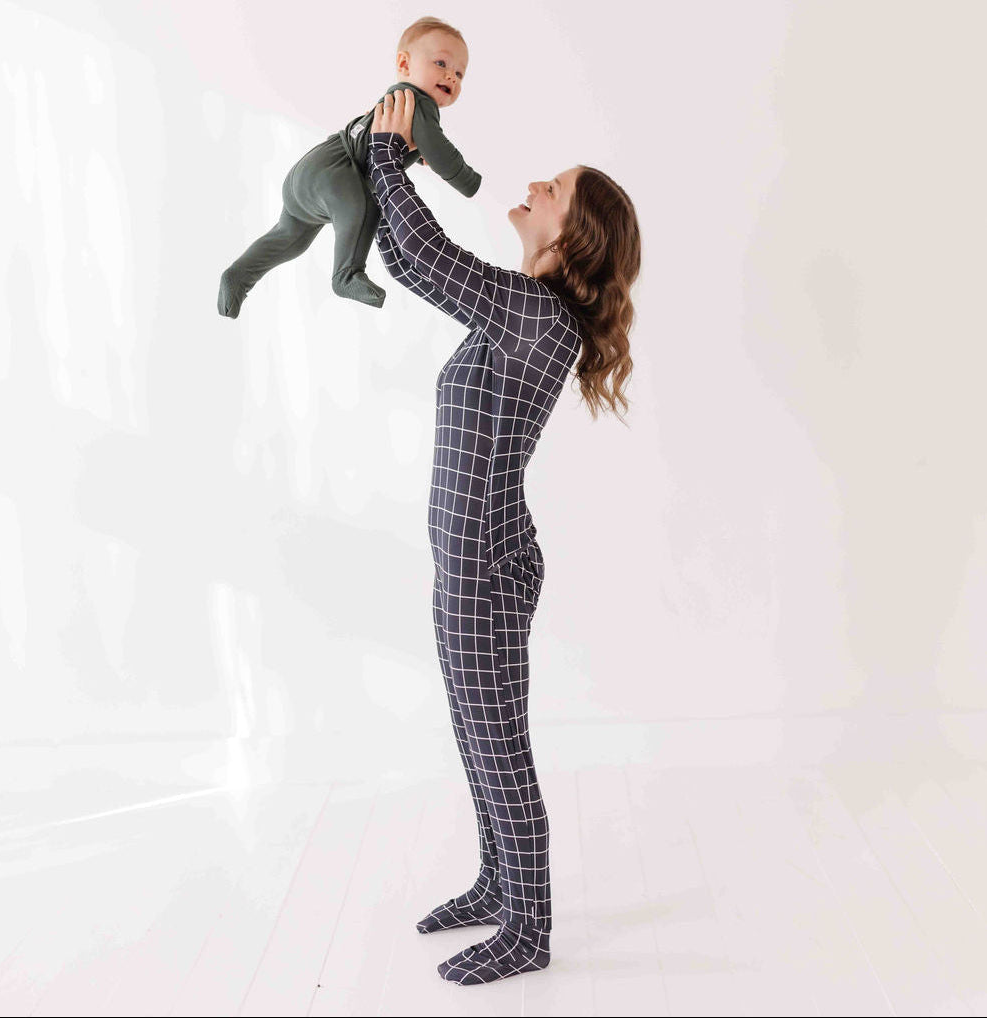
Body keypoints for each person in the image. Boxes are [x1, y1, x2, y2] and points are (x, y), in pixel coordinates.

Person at [370, 87, 639, 986]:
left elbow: (423, 255)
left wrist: (388, 154)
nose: (533, 186)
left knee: (498, 748)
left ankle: (529, 930)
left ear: (574, 234)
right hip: (469, 560)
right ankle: (497, 885)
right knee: (474, 732)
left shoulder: (534, 316)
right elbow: (408, 260)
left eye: (552, 189)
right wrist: (384, 168)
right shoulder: (518, 306)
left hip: (484, 561)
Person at [216, 19, 479, 317]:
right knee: (366, 206)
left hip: (311, 170)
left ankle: (239, 275)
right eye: (441, 63)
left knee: (289, 237)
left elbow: (390, 137)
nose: (451, 76)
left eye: (460, 73)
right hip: (337, 173)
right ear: (405, 64)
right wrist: (469, 181)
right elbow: (441, 152)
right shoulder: (419, 102)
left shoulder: (396, 99)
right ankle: (347, 274)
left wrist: (419, 155)